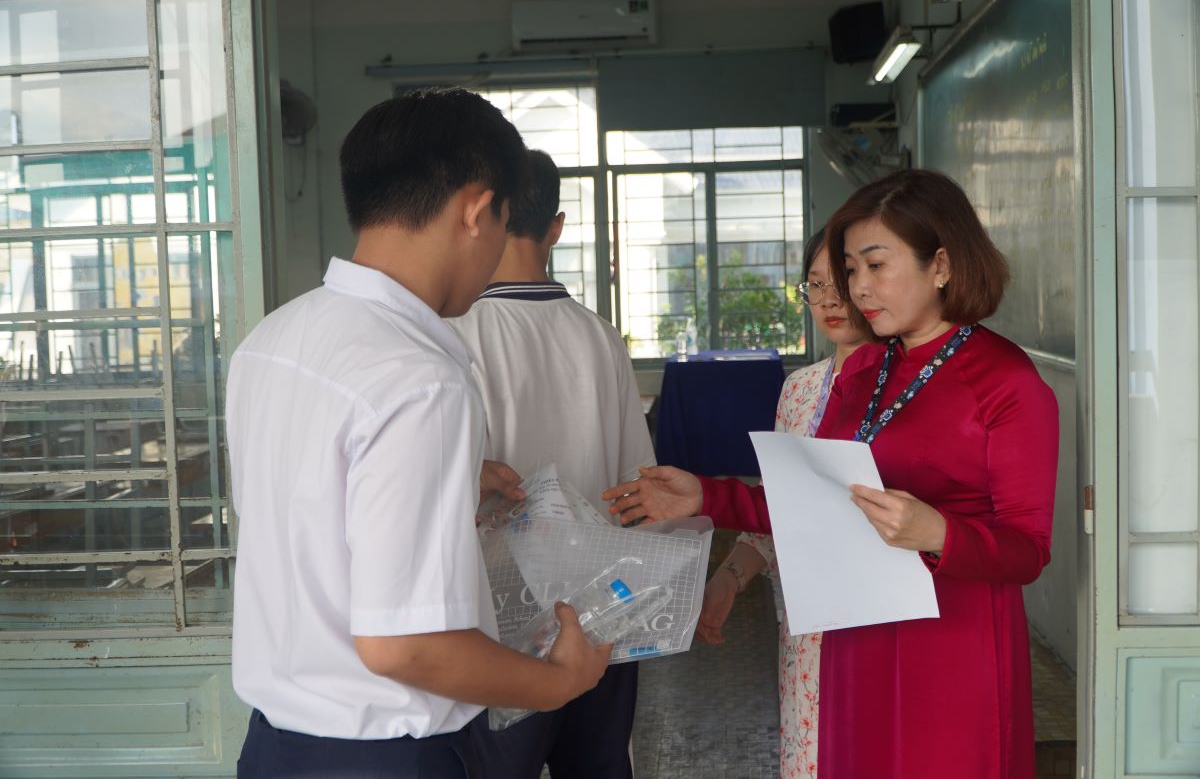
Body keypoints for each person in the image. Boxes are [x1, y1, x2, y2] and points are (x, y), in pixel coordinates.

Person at [603, 168, 1058, 779]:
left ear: (942, 264)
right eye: (850, 269)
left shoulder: (1004, 380)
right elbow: (815, 511)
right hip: (855, 636)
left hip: (951, 644)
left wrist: (939, 533)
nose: (858, 288)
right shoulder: (863, 373)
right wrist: (708, 497)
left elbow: (1027, 550)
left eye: (876, 265)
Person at [226, 88, 611, 779]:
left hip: (275, 748)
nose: (496, 249)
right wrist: (561, 680)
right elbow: (406, 645)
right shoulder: (420, 378)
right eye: (500, 221)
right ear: (474, 208)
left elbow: (313, 524)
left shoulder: (274, 339)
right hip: (383, 758)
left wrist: (454, 482)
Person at [449, 148, 655, 779]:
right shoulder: (598, 334)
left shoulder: (457, 333)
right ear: (557, 226)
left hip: (496, 621)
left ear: (480, 217)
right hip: (601, 609)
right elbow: (637, 488)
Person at [698, 226, 867, 779]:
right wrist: (729, 578)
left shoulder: (909, 387)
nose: (829, 301)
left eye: (841, 281)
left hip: (881, 629)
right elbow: (780, 514)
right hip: (806, 636)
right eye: (814, 285)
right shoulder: (799, 390)